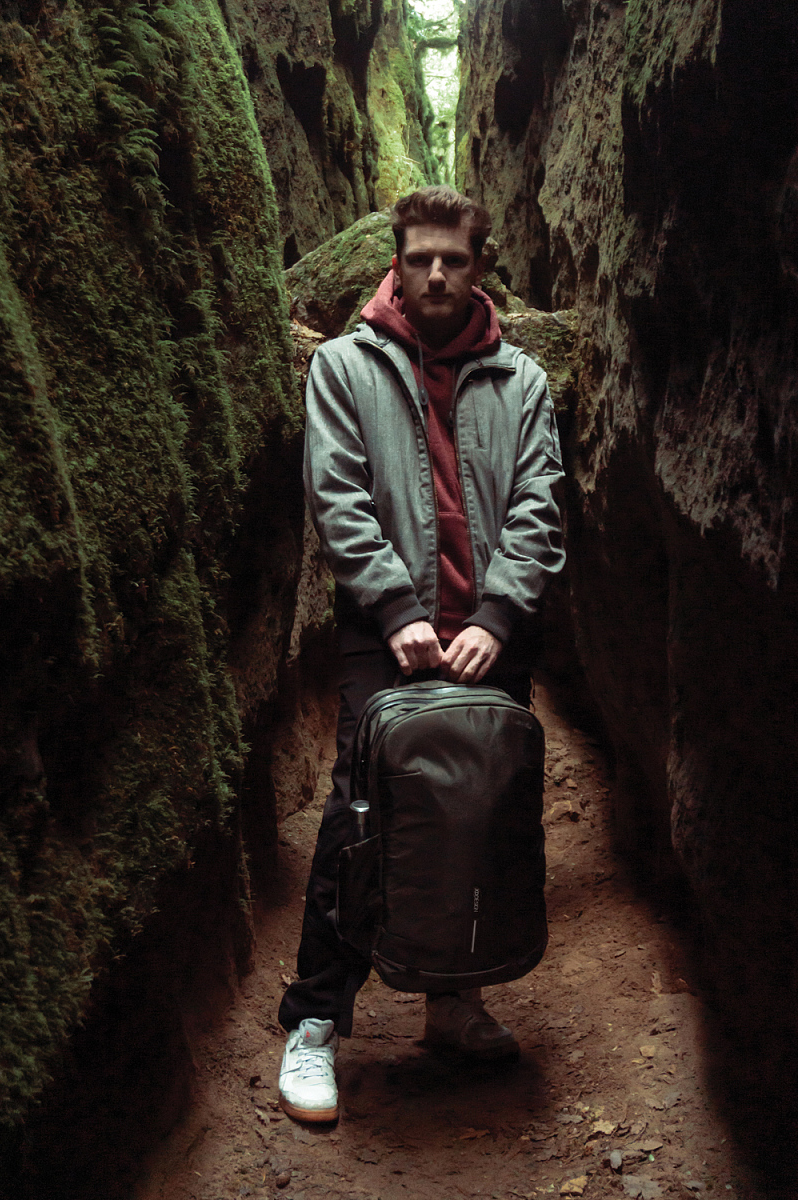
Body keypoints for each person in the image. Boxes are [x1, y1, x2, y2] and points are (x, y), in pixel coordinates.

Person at [277, 186, 566, 1122]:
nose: (435, 273)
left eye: (453, 259)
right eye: (419, 258)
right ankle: (315, 1021)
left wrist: (498, 615)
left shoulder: (522, 381)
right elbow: (337, 493)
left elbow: (539, 505)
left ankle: (452, 1001)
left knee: (474, 810)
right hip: (383, 631)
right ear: (395, 263)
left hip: (488, 636)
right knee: (358, 819)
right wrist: (396, 607)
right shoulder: (343, 366)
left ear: (480, 268)